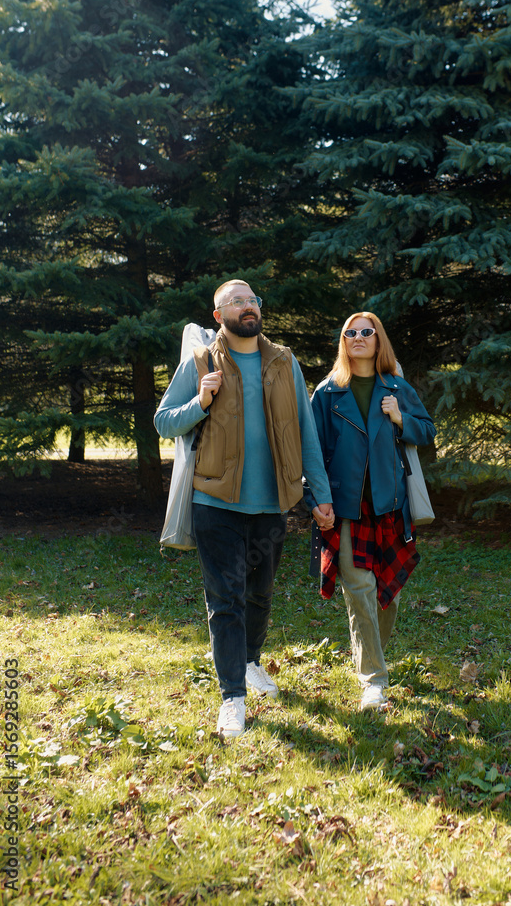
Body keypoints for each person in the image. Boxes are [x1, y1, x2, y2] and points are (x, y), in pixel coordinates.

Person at [154, 279, 334, 738]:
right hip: (214, 502)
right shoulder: (200, 361)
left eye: (252, 299)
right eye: (235, 301)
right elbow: (163, 420)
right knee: (225, 599)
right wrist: (201, 400)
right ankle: (232, 696)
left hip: (272, 502)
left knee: (260, 593)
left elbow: (305, 433)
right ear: (218, 316)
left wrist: (320, 494)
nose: (246, 306)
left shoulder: (283, 361)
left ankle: (251, 661)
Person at [306, 312, 436, 711]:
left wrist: (401, 418)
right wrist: (316, 501)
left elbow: (427, 430)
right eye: (350, 332)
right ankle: (374, 682)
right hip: (346, 508)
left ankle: (368, 657)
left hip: (389, 506)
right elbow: (310, 454)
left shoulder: (397, 386)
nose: (359, 337)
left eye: (367, 332)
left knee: (386, 596)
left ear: (379, 341)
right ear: (343, 341)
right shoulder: (327, 394)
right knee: (359, 592)